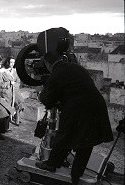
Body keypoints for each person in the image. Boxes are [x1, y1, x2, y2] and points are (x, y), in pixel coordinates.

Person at [35, 52, 114, 184]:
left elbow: (48, 99)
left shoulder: (56, 74)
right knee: (87, 141)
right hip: (96, 106)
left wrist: (41, 95)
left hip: (78, 108)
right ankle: (76, 174)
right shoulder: (76, 67)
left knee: (65, 135)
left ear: (48, 64)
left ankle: (51, 164)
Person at [0, 56, 23, 126]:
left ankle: (17, 120)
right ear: (7, 62)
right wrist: (9, 84)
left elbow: (18, 81)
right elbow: (0, 84)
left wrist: (15, 86)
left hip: (15, 91)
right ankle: (6, 126)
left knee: (19, 104)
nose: (12, 64)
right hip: (7, 92)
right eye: (11, 62)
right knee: (7, 108)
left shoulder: (15, 71)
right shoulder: (2, 71)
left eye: (13, 62)